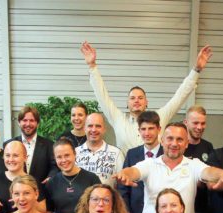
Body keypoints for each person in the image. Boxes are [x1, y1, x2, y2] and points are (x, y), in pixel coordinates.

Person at [114, 122, 223, 213]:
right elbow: (133, 171)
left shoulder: (194, 164)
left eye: (179, 139)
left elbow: (209, 171)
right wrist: (124, 174)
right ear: (162, 141)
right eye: (170, 138)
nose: (174, 144)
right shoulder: (150, 164)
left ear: (186, 143)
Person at [80, 41, 213, 152]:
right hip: (127, 173)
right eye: (132, 98)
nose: (136, 100)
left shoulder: (159, 117)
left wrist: (196, 70)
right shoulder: (118, 119)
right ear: (127, 103)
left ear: (146, 102)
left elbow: (180, 96)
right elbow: (102, 96)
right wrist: (92, 66)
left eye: (140, 98)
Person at [119, 111, 163, 213]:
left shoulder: (167, 154)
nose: (147, 133)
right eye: (143, 129)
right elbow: (123, 189)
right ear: (139, 130)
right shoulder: (132, 154)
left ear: (159, 129)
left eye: (151, 128)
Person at [44, 138, 100, 213]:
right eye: (59, 157)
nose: (63, 160)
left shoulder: (92, 179)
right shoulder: (52, 183)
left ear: (75, 154)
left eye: (67, 155)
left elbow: (100, 208)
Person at [0, 141, 46, 213]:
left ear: (25, 158)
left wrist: (30, 202)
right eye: (7, 155)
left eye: (15, 155)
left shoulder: (34, 182)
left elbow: (44, 212)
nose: (11, 159)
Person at [3, 106, 57, 184]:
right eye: (24, 120)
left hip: (41, 188)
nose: (28, 124)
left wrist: (51, 177)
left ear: (37, 123)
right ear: (19, 122)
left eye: (32, 120)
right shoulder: (8, 144)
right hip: (15, 188)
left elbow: (55, 166)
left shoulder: (49, 145)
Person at [75, 112, 124, 187]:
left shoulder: (116, 153)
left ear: (104, 129)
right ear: (84, 128)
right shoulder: (75, 153)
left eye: (98, 126)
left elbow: (122, 185)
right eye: (90, 126)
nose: (94, 130)